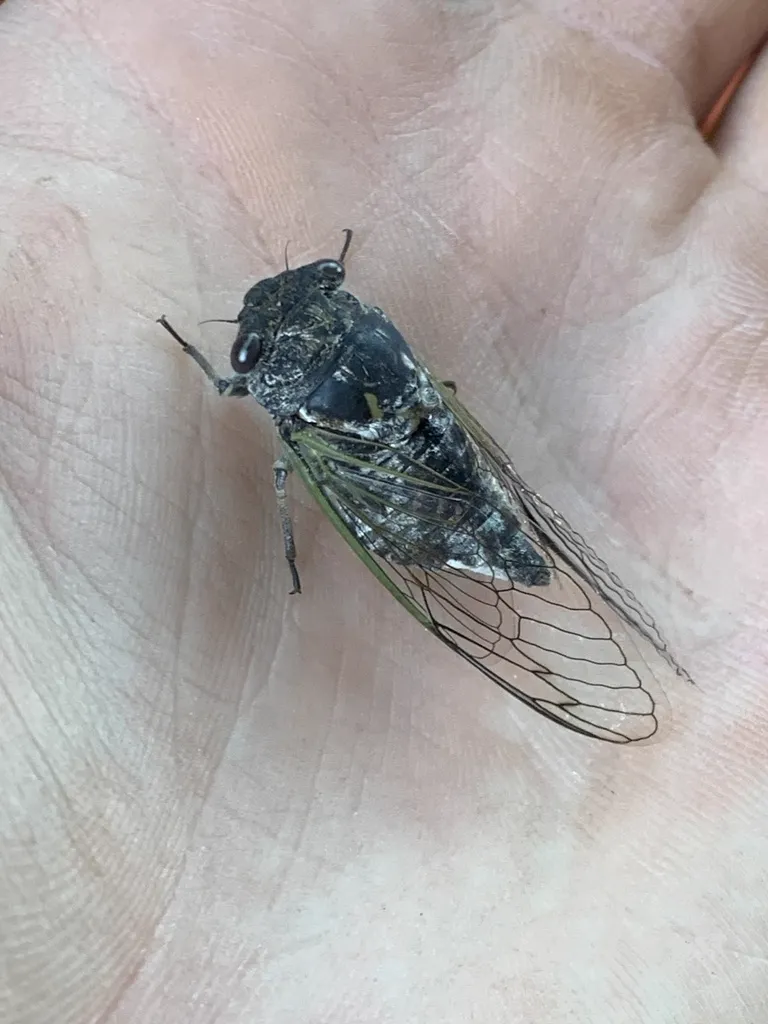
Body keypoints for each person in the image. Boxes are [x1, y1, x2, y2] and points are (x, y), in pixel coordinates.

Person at [1, 2, 766, 1021]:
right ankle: (522, 558)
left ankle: (521, 563)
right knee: (437, 432)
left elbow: (246, 411)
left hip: (419, 510)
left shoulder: (272, 397)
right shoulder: (358, 333)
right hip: (429, 460)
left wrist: (216, 376)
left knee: (320, 477)